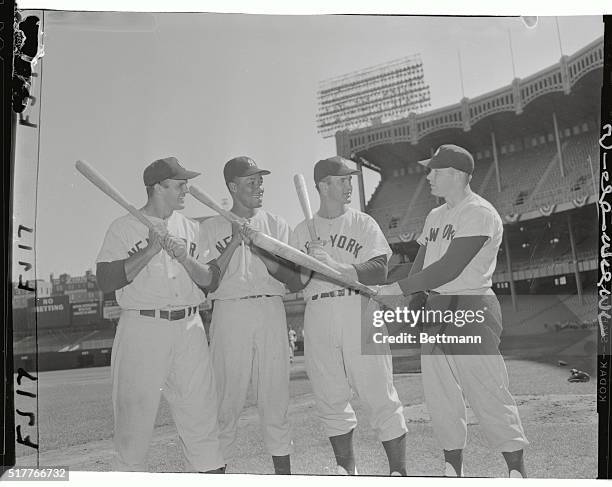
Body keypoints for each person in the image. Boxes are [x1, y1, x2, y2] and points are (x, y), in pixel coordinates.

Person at [391, 144, 529, 478]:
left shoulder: (479, 212)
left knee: (487, 390)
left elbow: (448, 269)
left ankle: (516, 470)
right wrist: (407, 305)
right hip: (437, 308)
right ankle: (453, 468)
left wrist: (393, 289)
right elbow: (422, 269)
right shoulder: (434, 216)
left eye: (434, 171)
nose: (428, 177)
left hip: (471, 304)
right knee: (440, 395)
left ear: (455, 174)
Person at [95, 157, 229, 473]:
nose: (187, 189)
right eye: (180, 184)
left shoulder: (192, 228)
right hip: (142, 328)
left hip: (189, 329)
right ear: (158, 187)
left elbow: (211, 279)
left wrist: (185, 258)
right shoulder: (124, 227)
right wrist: (150, 250)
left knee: (202, 425)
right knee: (132, 433)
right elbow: (106, 280)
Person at [290, 156, 408, 476]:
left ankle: (398, 473)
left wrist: (335, 266)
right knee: (330, 397)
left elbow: (379, 269)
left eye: (350, 179)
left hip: (359, 307)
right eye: (343, 180)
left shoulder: (363, 223)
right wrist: (304, 264)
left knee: (380, 394)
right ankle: (346, 470)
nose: (350, 185)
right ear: (323, 186)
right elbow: (291, 281)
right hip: (317, 312)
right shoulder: (301, 231)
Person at [199, 156, 293, 474]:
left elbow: (293, 279)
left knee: (275, 399)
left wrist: (259, 248)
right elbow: (206, 281)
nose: (259, 186)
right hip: (229, 311)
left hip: (270, 308)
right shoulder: (210, 229)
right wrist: (235, 242)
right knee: (226, 402)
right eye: (251, 181)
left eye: (260, 180)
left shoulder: (277, 225)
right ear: (233, 187)